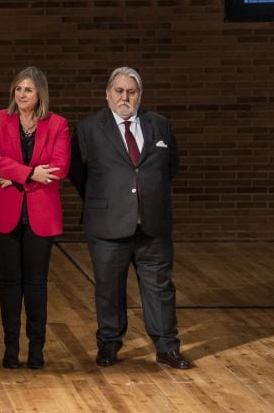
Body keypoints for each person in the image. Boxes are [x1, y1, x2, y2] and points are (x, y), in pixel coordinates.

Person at [69, 67, 192, 369]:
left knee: (160, 287)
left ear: (140, 95)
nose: (125, 97)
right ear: (108, 94)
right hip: (108, 224)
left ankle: (167, 346)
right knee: (109, 288)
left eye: (131, 92)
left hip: (152, 223)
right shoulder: (88, 129)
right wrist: (110, 200)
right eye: (119, 91)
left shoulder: (160, 125)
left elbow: (169, 166)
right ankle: (109, 345)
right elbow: (77, 173)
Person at [0, 67, 70, 370]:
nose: (21, 95)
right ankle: (10, 347)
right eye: (18, 89)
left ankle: (37, 349)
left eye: (28, 90)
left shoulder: (58, 125)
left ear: (39, 93)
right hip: (3, 214)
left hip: (41, 214)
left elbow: (59, 168)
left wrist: (14, 178)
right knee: (9, 282)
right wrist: (30, 173)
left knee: (36, 283)